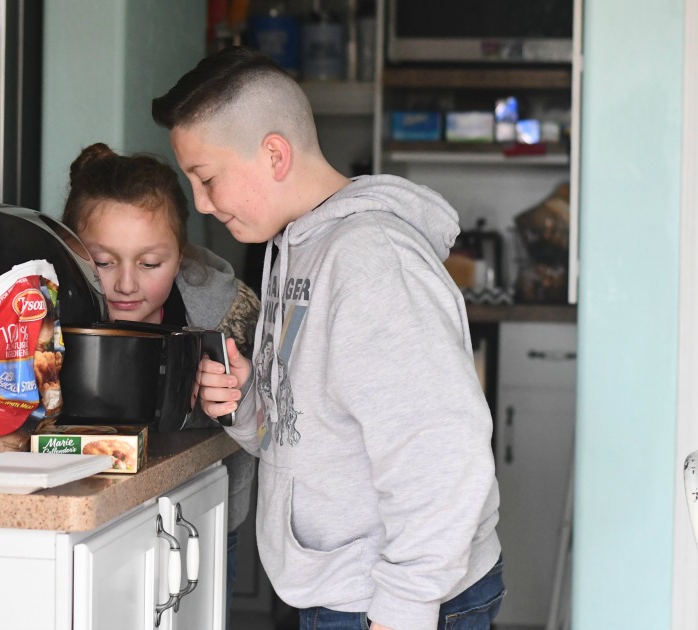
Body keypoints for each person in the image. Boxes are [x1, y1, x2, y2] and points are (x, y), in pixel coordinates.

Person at [151, 47, 504, 630]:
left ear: (274, 154)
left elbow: (441, 450)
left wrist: (404, 610)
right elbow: (304, 426)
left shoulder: (371, 260)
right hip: (348, 591)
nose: (203, 204)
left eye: (207, 178)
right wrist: (250, 401)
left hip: (396, 604)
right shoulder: (296, 247)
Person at [61, 142, 261, 610]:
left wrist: (242, 390)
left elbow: (275, 418)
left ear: (181, 254)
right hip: (81, 531)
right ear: (71, 252)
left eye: (151, 264)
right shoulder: (38, 306)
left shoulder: (228, 312)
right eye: (103, 262)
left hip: (200, 527)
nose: (126, 284)